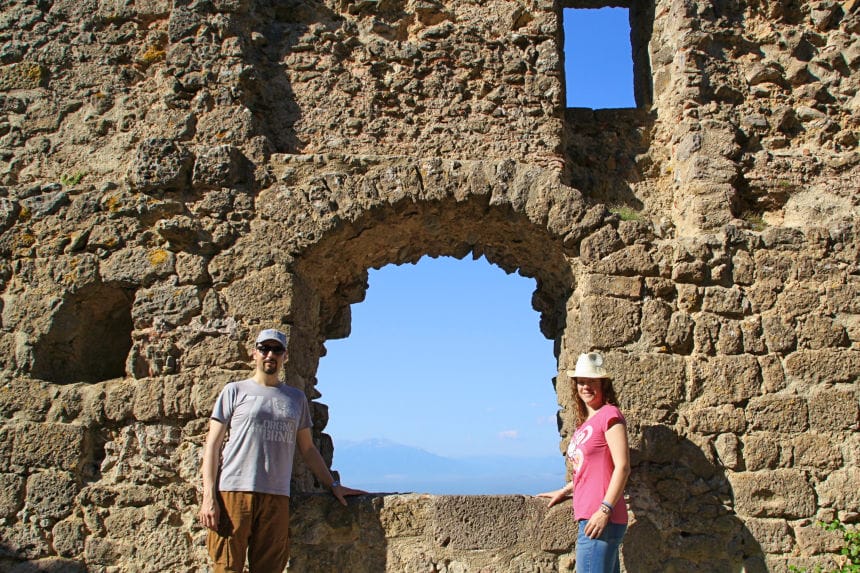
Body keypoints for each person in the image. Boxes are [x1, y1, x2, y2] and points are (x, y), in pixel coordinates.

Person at [198, 328, 365, 573]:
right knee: (226, 567)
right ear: (254, 353)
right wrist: (208, 498)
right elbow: (212, 446)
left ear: (284, 356)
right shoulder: (234, 391)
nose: (270, 355)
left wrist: (333, 485)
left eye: (277, 350)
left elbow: (308, 449)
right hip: (234, 491)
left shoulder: (295, 399)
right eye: (264, 348)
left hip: (276, 495)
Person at [538, 352, 631, 573]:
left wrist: (604, 510)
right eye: (581, 381)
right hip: (591, 516)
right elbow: (590, 470)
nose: (586, 386)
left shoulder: (610, 415)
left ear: (603, 384)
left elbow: (623, 466)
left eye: (591, 381)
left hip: (600, 519)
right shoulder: (588, 422)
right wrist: (566, 490)